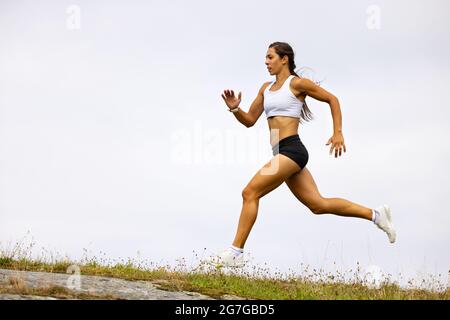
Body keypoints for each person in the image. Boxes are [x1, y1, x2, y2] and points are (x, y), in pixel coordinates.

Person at [209, 42, 396, 268]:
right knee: (318, 204)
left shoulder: (297, 84)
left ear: (284, 59)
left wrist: (337, 132)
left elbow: (333, 100)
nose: (266, 62)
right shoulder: (265, 88)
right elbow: (249, 121)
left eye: (270, 57)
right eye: (265, 58)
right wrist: (235, 109)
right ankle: (376, 215)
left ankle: (235, 253)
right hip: (282, 153)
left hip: (292, 150)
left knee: (250, 192)